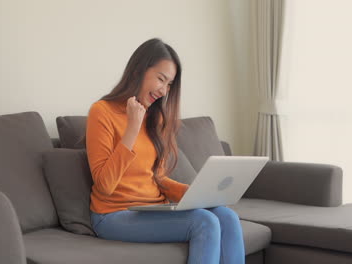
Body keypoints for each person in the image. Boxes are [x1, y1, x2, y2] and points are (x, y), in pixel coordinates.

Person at [86, 38, 245, 264]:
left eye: (169, 84)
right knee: (204, 221)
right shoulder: (101, 112)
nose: (164, 90)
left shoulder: (156, 118)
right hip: (112, 215)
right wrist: (132, 128)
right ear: (138, 71)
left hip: (151, 208)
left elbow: (157, 177)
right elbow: (105, 185)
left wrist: (195, 195)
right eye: (161, 79)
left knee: (226, 216)